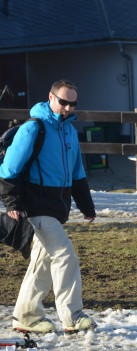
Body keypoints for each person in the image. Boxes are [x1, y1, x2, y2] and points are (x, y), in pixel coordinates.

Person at [0, 79, 97, 334]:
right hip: (35, 206)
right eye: (63, 102)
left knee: (42, 263)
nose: (67, 108)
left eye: (72, 104)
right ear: (51, 97)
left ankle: (26, 316)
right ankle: (73, 317)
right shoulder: (34, 128)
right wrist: (12, 203)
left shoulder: (70, 132)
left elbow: (77, 173)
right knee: (65, 256)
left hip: (57, 205)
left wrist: (87, 206)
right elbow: (8, 169)